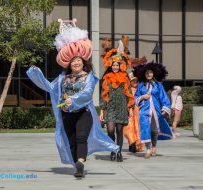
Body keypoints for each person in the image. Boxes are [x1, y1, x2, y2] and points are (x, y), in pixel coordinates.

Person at [27, 19, 119, 178]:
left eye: (79, 60)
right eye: (73, 61)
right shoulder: (63, 77)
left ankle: (81, 163)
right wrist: (37, 74)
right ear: (69, 63)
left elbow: (87, 93)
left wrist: (74, 100)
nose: (76, 62)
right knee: (72, 142)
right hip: (66, 114)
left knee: (81, 137)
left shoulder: (89, 77)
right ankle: (77, 164)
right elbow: (50, 87)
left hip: (83, 112)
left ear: (83, 62)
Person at [99, 39, 134, 162]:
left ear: (120, 66)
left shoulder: (125, 78)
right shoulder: (107, 78)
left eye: (117, 65)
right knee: (110, 130)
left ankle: (118, 152)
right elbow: (103, 94)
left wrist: (130, 108)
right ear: (111, 65)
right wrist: (102, 110)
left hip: (122, 106)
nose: (115, 67)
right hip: (110, 107)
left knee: (119, 131)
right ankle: (112, 149)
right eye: (113, 65)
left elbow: (129, 93)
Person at [134, 62, 173, 159]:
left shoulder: (158, 85)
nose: (148, 74)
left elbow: (163, 97)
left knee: (154, 129)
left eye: (150, 72)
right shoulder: (141, 85)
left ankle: (154, 146)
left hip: (155, 110)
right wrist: (142, 96)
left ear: (153, 73)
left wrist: (165, 108)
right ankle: (148, 149)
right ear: (144, 74)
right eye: (147, 73)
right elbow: (135, 98)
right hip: (144, 110)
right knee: (145, 127)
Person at [123, 75, 144, 153]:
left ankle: (139, 145)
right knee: (129, 128)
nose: (134, 82)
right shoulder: (127, 90)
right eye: (132, 80)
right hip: (130, 111)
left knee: (138, 128)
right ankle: (132, 144)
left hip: (139, 112)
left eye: (136, 80)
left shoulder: (141, 90)